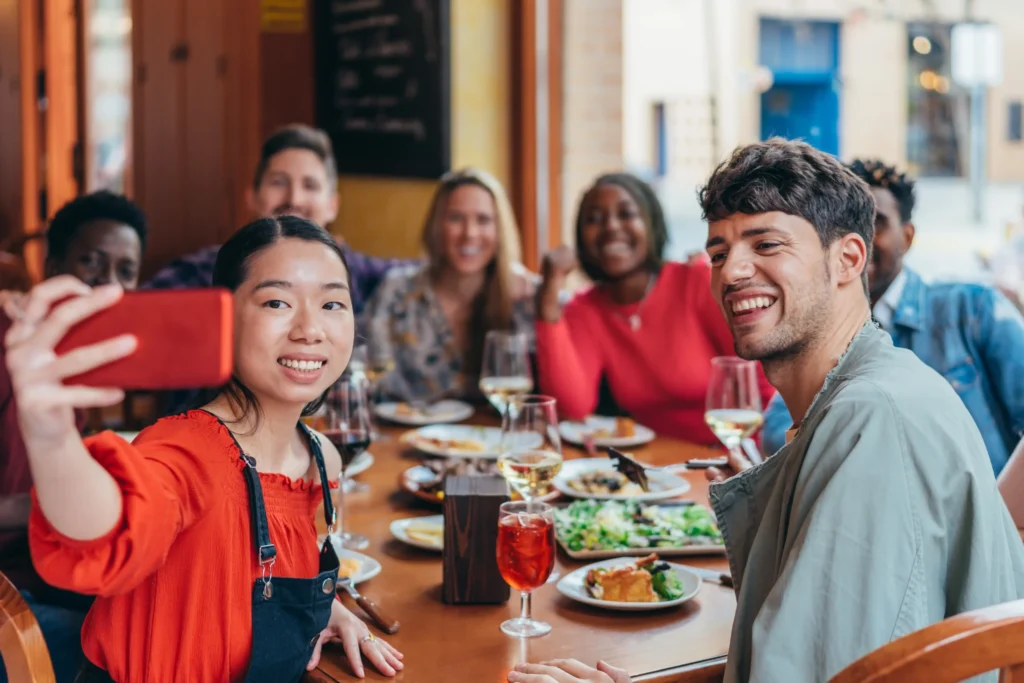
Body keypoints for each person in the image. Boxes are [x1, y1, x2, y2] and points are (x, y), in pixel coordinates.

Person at [509, 139, 1024, 683]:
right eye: (718, 253)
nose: (732, 272)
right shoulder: (859, 397)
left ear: (849, 259)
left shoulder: (870, 421)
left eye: (767, 244)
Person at [5, 216, 403, 682]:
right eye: (277, 302)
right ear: (224, 322)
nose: (309, 329)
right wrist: (51, 436)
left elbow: (256, 575)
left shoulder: (319, 457)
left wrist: (320, 608)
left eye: (333, 303)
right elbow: (108, 531)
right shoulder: (187, 450)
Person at [762, 160, 1024, 473]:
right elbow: (777, 430)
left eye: (876, 223)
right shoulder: (816, 326)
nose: (857, 241)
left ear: (908, 236)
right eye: (840, 225)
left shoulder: (972, 308)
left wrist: (1002, 512)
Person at [0, 191, 146, 683]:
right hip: (11, 603)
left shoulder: (76, 362)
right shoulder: (11, 349)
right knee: (121, 654)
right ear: (53, 263)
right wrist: (36, 504)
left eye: (125, 272)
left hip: (43, 571)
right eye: (91, 263)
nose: (106, 285)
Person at [533, 172, 773, 444]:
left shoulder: (697, 281)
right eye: (594, 219)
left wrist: (766, 466)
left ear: (651, 222)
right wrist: (548, 296)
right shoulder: (585, 308)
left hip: (736, 460)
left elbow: (761, 380)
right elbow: (573, 407)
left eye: (626, 214)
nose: (611, 227)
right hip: (658, 469)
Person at [143, 124, 409, 315]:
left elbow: (424, 275)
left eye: (310, 185)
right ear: (252, 198)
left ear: (333, 206)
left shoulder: (358, 272)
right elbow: (138, 311)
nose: (294, 198)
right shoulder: (207, 272)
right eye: (278, 182)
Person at [362, 168, 533, 402]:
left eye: (483, 220)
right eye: (455, 218)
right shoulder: (396, 290)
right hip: (405, 434)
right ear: (437, 226)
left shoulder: (526, 296)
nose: (469, 233)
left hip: (494, 434)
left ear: (500, 230)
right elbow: (367, 374)